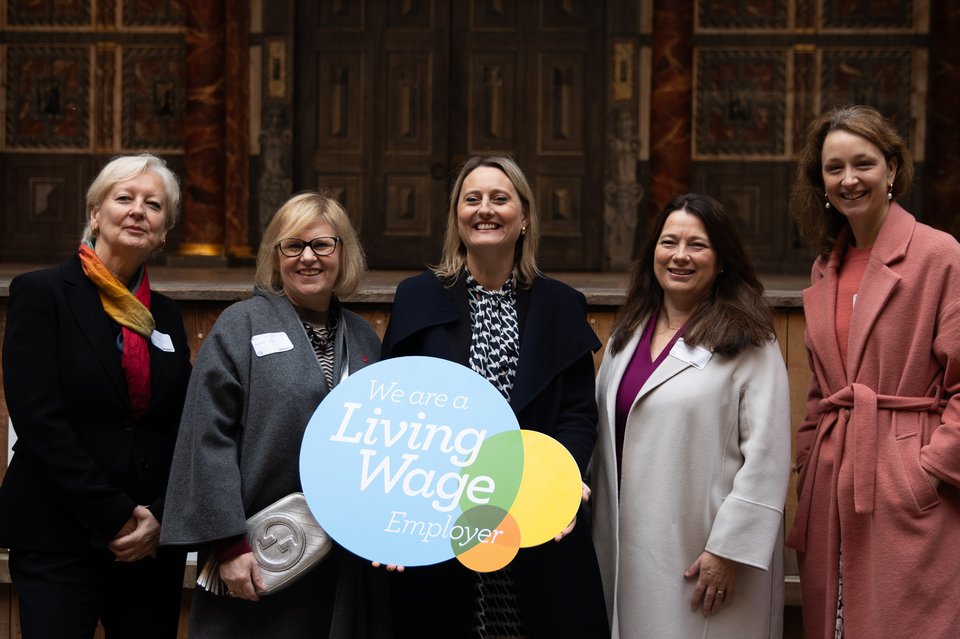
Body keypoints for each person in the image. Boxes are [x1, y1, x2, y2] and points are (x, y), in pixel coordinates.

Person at [381, 155, 609, 638]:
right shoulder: (416, 297)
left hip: (537, 519)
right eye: (472, 199)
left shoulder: (561, 304)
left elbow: (576, 414)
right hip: (439, 520)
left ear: (524, 217)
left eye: (500, 198)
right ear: (457, 216)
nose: (485, 209)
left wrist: (560, 480)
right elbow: (391, 411)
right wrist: (387, 516)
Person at [159, 191, 387, 639]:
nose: (308, 258)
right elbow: (207, 438)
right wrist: (227, 543)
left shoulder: (364, 341)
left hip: (342, 561)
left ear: (343, 253)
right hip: (261, 553)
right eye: (293, 245)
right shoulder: (241, 325)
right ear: (275, 254)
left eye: (322, 245)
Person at [785, 105, 960, 638]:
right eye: (834, 168)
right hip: (834, 480)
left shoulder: (938, 254)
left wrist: (925, 469)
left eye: (863, 164)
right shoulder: (825, 265)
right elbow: (822, 388)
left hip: (908, 481)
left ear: (892, 169)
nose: (848, 179)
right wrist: (809, 460)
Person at [0, 154, 192, 638]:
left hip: (148, 543)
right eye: (123, 198)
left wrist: (159, 517)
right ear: (95, 213)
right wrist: (115, 515)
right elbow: (40, 421)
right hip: (59, 535)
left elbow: (181, 427)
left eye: (153, 205)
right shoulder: (42, 294)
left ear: (164, 230)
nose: (137, 211)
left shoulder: (165, 316)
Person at [591, 193, 791, 639]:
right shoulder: (628, 332)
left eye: (697, 245)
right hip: (627, 543)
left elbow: (768, 456)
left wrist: (730, 549)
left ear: (721, 259)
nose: (680, 256)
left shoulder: (749, 339)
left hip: (703, 552)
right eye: (669, 242)